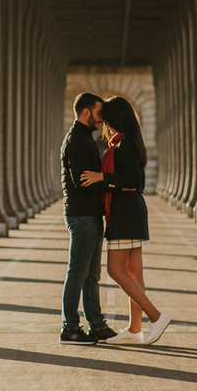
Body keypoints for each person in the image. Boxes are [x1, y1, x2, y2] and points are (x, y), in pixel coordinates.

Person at [80, 96, 171, 346]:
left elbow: (132, 182)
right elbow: (136, 182)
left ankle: (156, 317)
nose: (105, 125)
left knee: (115, 270)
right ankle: (134, 329)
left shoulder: (124, 146)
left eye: (108, 121)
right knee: (134, 272)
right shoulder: (129, 142)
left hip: (125, 214)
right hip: (132, 212)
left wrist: (103, 177)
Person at [58, 92, 116, 345]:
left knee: (91, 275)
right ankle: (70, 327)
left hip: (90, 215)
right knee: (78, 272)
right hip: (82, 216)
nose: (101, 119)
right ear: (85, 112)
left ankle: (97, 324)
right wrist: (110, 183)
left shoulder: (85, 138)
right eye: (98, 113)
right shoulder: (78, 141)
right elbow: (82, 182)